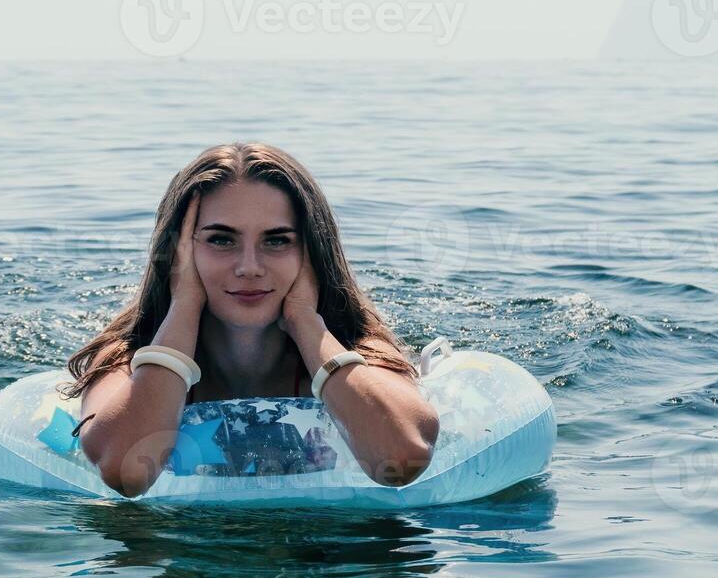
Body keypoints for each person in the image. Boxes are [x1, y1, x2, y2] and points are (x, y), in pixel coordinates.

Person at [59, 142, 439, 497]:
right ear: (177, 252)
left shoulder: (359, 350)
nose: (249, 267)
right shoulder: (127, 359)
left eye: (277, 241)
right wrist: (185, 303)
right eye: (221, 240)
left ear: (313, 253)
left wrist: (306, 322)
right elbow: (127, 474)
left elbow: (401, 461)